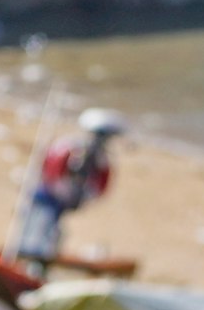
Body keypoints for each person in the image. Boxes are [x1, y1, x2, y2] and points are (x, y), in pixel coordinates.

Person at [9, 109, 125, 269]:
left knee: (45, 231)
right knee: (37, 230)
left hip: (55, 200)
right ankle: (30, 261)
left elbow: (96, 185)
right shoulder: (73, 151)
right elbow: (54, 173)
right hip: (48, 197)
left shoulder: (91, 157)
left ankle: (36, 261)